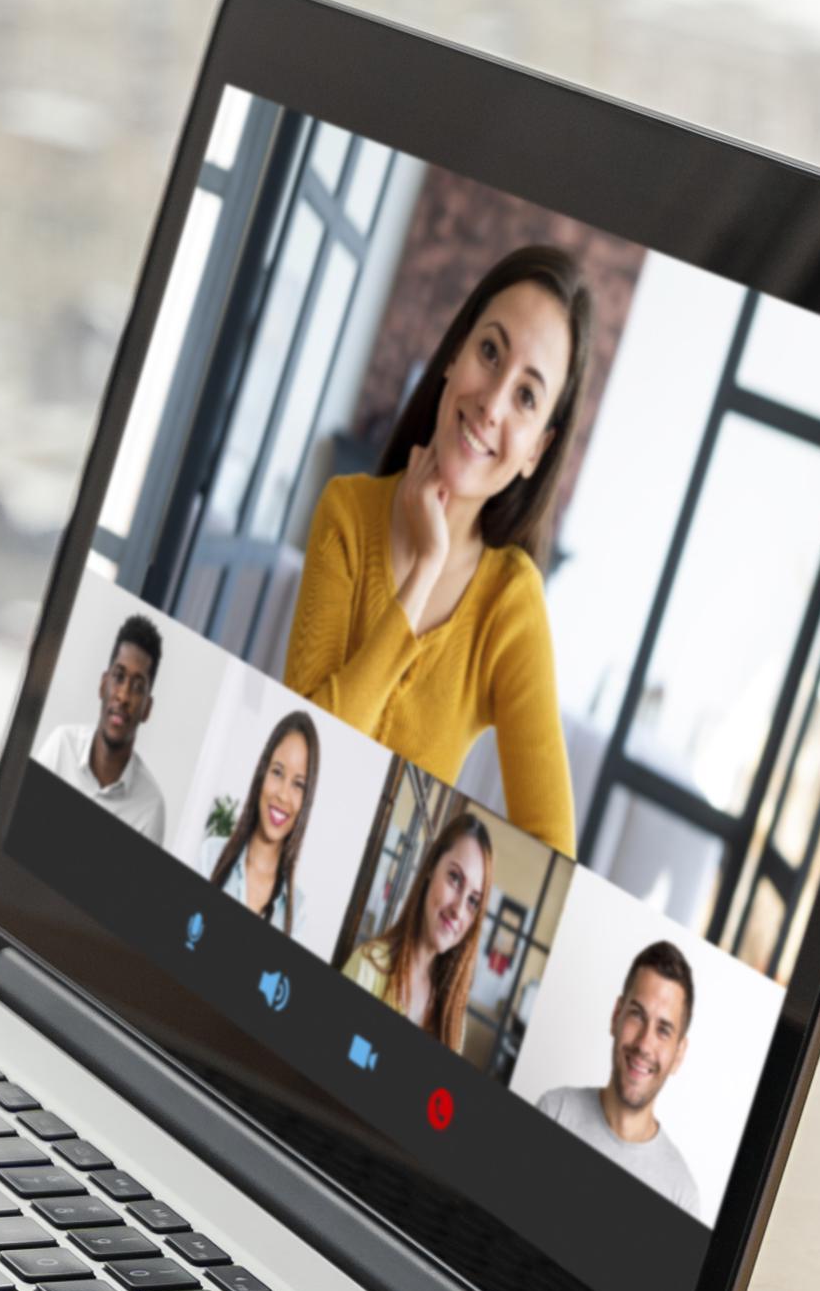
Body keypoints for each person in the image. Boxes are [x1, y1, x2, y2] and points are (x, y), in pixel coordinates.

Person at [281, 244, 592, 856]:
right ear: (455, 353)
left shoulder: (511, 602)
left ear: (537, 449)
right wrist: (422, 572)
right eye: (490, 352)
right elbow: (301, 753)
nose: (493, 402)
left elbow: (552, 852)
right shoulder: (347, 511)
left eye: (527, 397)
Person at [526, 941, 711, 1217]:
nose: (644, 1045)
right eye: (637, 1015)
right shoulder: (555, 1112)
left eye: (663, 1030)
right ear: (616, 1016)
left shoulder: (681, 1197)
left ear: (679, 1054)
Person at [341, 801, 505, 1062]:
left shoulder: (452, 1020)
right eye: (454, 878)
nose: (459, 910)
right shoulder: (368, 966)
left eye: (473, 901)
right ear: (431, 867)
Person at [33, 611, 184, 851]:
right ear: (104, 685)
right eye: (119, 677)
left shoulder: (151, 808)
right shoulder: (61, 747)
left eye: (137, 687)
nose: (123, 696)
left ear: (147, 708)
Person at [206, 709, 328, 936]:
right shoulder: (209, 856)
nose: (283, 795)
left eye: (298, 785)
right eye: (278, 773)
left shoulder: (297, 911)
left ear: (306, 800)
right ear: (262, 773)